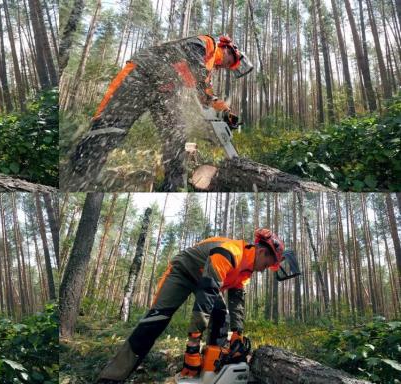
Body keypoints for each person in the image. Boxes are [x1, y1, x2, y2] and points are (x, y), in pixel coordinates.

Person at [97, 228, 297, 382]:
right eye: (267, 264)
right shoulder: (229, 253)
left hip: (208, 281)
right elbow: (206, 295)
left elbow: (237, 303)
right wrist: (193, 344)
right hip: (183, 273)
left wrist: (238, 334)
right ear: (262, 252)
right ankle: (112, 377)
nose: (265, 270)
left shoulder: (246, 271)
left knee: (222, 316)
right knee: (155, 320)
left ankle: (210, 370)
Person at [65, 35, 253, 191]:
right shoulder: (206, 44)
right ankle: (78, 173)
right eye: (231, 62)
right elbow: (193, 62)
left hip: (165, 91)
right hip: (141, 76)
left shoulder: (208, 69)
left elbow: (207, 95)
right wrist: (202, 85)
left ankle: (174, 185)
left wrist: (226, 112)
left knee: (176, 131)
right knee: (111, 126)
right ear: (228, 49)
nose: (228, 66)